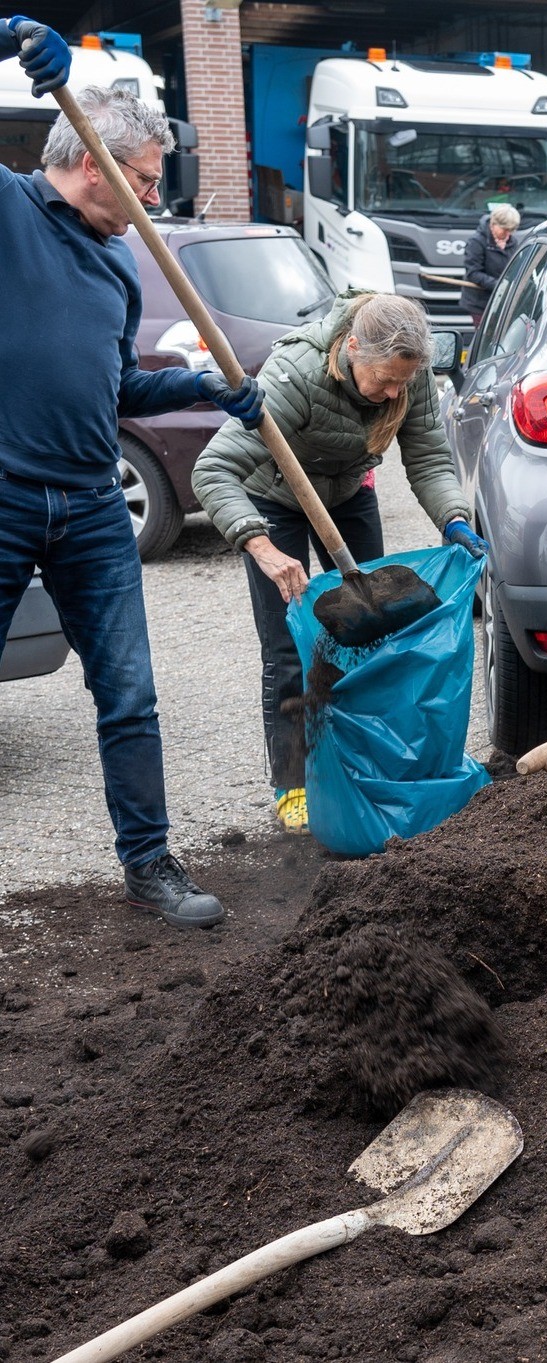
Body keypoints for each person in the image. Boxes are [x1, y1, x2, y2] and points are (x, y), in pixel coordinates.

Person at [0, 32, 265, 929]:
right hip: (3, 496)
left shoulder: (116, 260)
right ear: (89, 160)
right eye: (145, 181)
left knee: (130, 692)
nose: (155, 198)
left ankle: (149, 864)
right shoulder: (5, 210)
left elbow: (117, 388)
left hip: (92, 504)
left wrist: (206, 387)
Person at [192, 291, 485, 836]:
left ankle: (363, 761)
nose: (395, 392)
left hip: (346, 494)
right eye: (384, 381)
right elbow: (212, 471)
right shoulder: (295, 375)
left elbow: (427, 454)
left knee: (369, 632)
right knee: (287, 648)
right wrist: (260, 546)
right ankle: (294, 783)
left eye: (403, 381)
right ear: (351, 348)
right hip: (273, 501)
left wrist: (454, 519)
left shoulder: (408, 368)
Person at [461, 203, 520, 328]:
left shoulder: (513, 242)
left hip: (503, 301)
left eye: (511, 230)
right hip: (481, 303)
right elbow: (473, 273)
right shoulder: (476, 242)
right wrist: (499, 285)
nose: (508, 234)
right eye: (505, 229)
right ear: (493, 224)